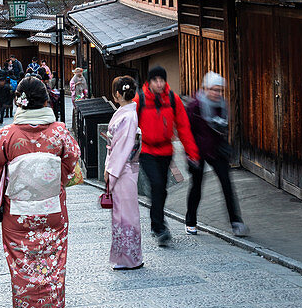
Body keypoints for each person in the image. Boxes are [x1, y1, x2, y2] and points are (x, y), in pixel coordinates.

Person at [0, 75, 80, 308]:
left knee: (23, 267)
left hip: (18, 214)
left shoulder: (8, 134)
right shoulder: (59, 131)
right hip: (52, 211)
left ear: (19, 102)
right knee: (52, 265)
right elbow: (72, 162)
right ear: (46, 100)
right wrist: (54, 181)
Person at [135, 65, 199, 246]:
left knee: (161, 188)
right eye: (155, 80)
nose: (159, 83)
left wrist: (192, 153)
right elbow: (129, 124)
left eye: (162, 80)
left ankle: (158, 223)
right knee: (156, 184)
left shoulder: (173, 99)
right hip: (146, 150)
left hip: (165, 150)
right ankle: (159, 227)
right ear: (149, 81)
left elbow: (184, 127)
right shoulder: (139, 99)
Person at [185, 72, 248, 238]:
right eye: (213, 89)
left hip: (216, 150)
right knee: (196, 187)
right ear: (205, 88)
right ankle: (190, 220)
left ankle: (236, 221)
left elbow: (223, 128)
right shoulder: (195, 106)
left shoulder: (222, 104)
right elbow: (187, 132)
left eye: (220, 90)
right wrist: (190, 155)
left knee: (227, 185)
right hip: (197, 152)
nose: (217, 93)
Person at [104, 75, 143, 271]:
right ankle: (125, 257)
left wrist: (111, 171)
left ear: (118, 94)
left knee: (126, 215)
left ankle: (131, 259)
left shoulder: (127, 116)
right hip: (121, 167)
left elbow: (121, 148)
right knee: (121, 213)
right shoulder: (125, 112)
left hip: (124, 169)